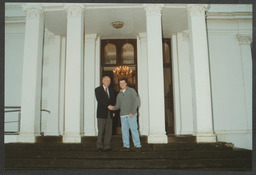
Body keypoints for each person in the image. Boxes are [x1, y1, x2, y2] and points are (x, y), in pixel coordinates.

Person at [108, 78, 141, 152]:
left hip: (131, 115)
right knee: (124, 131)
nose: (122, 84)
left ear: (126, 83)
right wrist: (112, 108)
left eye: (123, 83)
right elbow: (118, 106)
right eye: (120, 83)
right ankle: (126, 145)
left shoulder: (132, 91)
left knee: (134, 130)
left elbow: (136, 102)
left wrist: (132, 112)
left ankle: (137, 146)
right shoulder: (119, 94)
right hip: (123, 116)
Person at [95, 76, 116, 152]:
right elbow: (100, 100)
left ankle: (107, 146)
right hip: (101, 113)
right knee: (101, 130)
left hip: (110, 113)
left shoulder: (111, 90)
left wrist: (113, 111)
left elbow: (113, 102)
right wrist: (108, 106)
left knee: (108, 131)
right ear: (102, 81)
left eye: (109, 81)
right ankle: (99, 146)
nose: (108, 82)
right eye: (106, 81)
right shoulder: (98, 90)